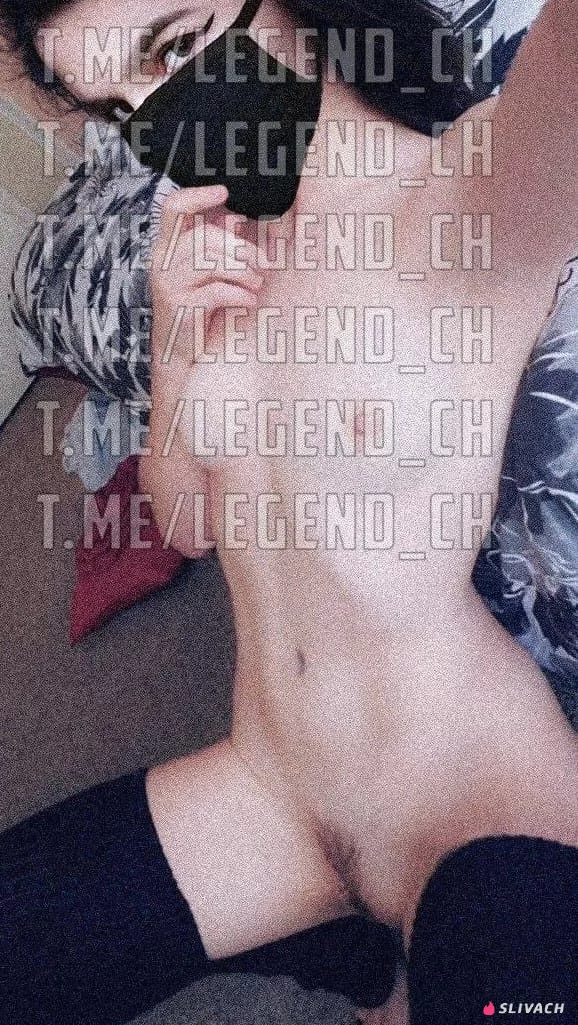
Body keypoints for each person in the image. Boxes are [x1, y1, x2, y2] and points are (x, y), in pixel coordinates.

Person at [0, 1, 577, 1024]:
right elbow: (185, 522)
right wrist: (176, 344)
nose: (158, 123)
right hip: (267, 788)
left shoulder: (470, 195)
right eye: (119, 105)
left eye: (173, 48)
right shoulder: (215, 244)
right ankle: (354, 951)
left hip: (473, 802)